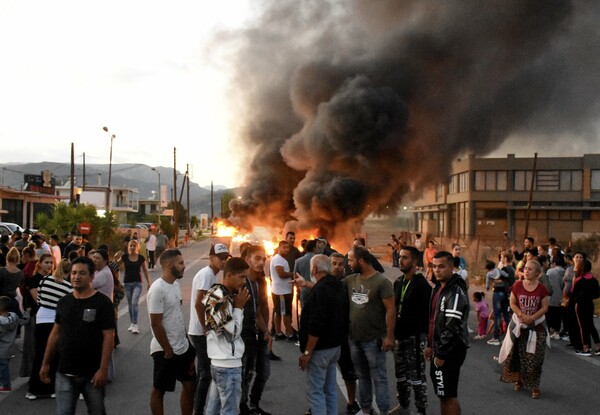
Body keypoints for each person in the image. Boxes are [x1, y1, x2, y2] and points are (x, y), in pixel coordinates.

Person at [39, 256, 116, 414]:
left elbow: (109, 337)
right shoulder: (63, 302)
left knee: (97, 412)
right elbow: (55, 333)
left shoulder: (103, 303)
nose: (76, 277)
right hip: (64, 373)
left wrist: (103, 369)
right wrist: (45, 363)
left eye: (82, 273)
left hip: (92, 375)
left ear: (92, 276)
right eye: (73, 273)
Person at [343, 246, 395, 415]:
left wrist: (389, 336)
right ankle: (366, 409)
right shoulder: (351, 280)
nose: (348, 264)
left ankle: (383, 410)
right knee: (362, 376)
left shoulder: (382, 282)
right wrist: (306, 283)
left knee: (379, 378)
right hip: (354, 339)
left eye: (351, 260)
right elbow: (329, 288)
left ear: (361, 261)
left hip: (374, 340)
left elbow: (391, 310)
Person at [148, 249, 196, 415]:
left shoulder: (175, 285)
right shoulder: (157, 289)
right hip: (165, 350)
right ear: (169, 265)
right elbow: (156, 323)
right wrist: (168, 350)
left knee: (190, 386)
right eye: (180, 263)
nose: (184, 266)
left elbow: (176, 314)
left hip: (183, 346)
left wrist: (185, 340)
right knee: (159, 391)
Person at [298, 254, 345, 415]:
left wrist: (306, 353)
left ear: (315, 269)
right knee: (329, 389)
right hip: (334, 347)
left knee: (315, 391)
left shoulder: (321, 290)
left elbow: (316, 325)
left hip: (320, 350)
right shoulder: (336, 286)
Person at [424, 251, 470, 415]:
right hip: (439, 348)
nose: (437, 270)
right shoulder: (439, 287)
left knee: (448, 394)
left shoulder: (455, 292)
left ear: (451, 267)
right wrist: (430, 345)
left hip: (450, 350)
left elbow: (452, 327)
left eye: (442, 266)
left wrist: (441, 354)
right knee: (442, 394)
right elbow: (433, 321)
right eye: (434, 266)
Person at [204, 257, 250, 415]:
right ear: (229, 275)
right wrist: (239, 308)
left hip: (221, 364)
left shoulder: (222, 294)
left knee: (213, 410)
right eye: (241, 277)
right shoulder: (218, 296)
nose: (244, 281)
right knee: (229, 411)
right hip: (227, 366)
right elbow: (232, 334)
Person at [188, 243, 230, 415]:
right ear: (211, 257)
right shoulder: (207, 275)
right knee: (205, 374)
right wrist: (206, 328)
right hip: (199, 331)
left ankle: (199, 408)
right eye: (220, 258)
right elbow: (199, 303)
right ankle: (198, 410)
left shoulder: (212, 274)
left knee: (204, 373)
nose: (223, 262)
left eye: (226, 258)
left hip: (202, 330)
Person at [499, 260, 549, 399]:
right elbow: (512, 302)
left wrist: (532, 317)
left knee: (535, 358)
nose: (526, 271)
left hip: (536, 327)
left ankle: (534, 386)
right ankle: (519, 380)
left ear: (538, 274)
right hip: (519, 326)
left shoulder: (542, 289)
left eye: (530, 269)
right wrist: (522, 315)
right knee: (518, 356)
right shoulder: (517, 285)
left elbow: (545, 307)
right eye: (525, 268)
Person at [393, 246, 431, 415]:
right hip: (398, 337)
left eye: (405, 257)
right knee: (400, 374)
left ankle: (421, 409)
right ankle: (403, 405)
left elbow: (430, 316)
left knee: (416, 376)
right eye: (400, 257)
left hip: (415, 338)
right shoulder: (398, 282)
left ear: (415, 262)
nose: (401, 260)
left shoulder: (422, 285)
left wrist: (428, 341)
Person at [26, 258, 72, 400]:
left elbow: (39, 300)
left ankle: (34, 389)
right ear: (69, 271)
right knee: (53, 355)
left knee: (40, 354)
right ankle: (51, 388)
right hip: (56, 321)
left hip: (41, 318)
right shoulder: (68, 287)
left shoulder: (44, 280)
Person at [240, 245, 272, 415]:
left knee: (263, 372)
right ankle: (243, 406)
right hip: (243, 337)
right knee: (246, 374)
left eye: (264, 259)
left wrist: (266, 332)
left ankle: (253, 404)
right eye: (258, 258)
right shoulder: (241, 283)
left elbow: (258, 310)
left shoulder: (257, 283)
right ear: (248, 260)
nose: (262, 263)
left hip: (257, 335)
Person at [117, 239, 150, 334]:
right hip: (127, 283)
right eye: (130, 245)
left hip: (137, 284)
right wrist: (115, 259)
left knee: (134, 302)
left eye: (134, 245)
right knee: (130, 304)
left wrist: (148, 283)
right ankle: (132, 323)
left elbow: (145, 271)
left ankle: (135, 324)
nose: (132, 247)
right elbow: (116, 267)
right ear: (128, 247)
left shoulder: (141, 258)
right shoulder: (124, 257)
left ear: (137, 247)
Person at [569, 259, 600, 356]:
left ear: (580, 268)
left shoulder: (579, 280)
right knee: (591, 325)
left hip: (580, 305)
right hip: (590, 304)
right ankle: (598, 346)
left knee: (582, 326)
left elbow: (573, 294)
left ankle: (586, 348)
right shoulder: (594, 280)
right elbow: (597, 294)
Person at [0, 296, 29, 392]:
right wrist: (27, 313)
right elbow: (24, 321)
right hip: (10, 347)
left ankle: (6, 385)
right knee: (4, 365)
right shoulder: (14, 316)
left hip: (1, 348)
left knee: (3, 368)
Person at [269, 240, 296, 341]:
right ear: (279, 248)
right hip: (281, 292)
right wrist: (292, 274)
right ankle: (288, 334)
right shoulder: (278, 259)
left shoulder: (281, 259)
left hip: (282, 290)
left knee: (280, 312)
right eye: (284, 247)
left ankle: (279, 333)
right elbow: (281, 274)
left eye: (288, 248)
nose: (286, 249)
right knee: (285, 313)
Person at [485, 260, 510, 346]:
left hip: (497, 294)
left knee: (497, 315)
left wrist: (488, 287)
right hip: (504, 293)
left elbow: (487, 283)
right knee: (506, 315)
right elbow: (507, 275)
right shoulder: (499, 270)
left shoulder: (489, 274)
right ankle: (508, 336)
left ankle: (496, 337)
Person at [545, 254, 565, 340]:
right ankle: (557, 331)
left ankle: (550, 331)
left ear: (554, 262)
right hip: (561, 297)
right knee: (558, 316)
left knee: (549, 316)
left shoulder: (550, 272)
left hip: (551, 298)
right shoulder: (565, 272)